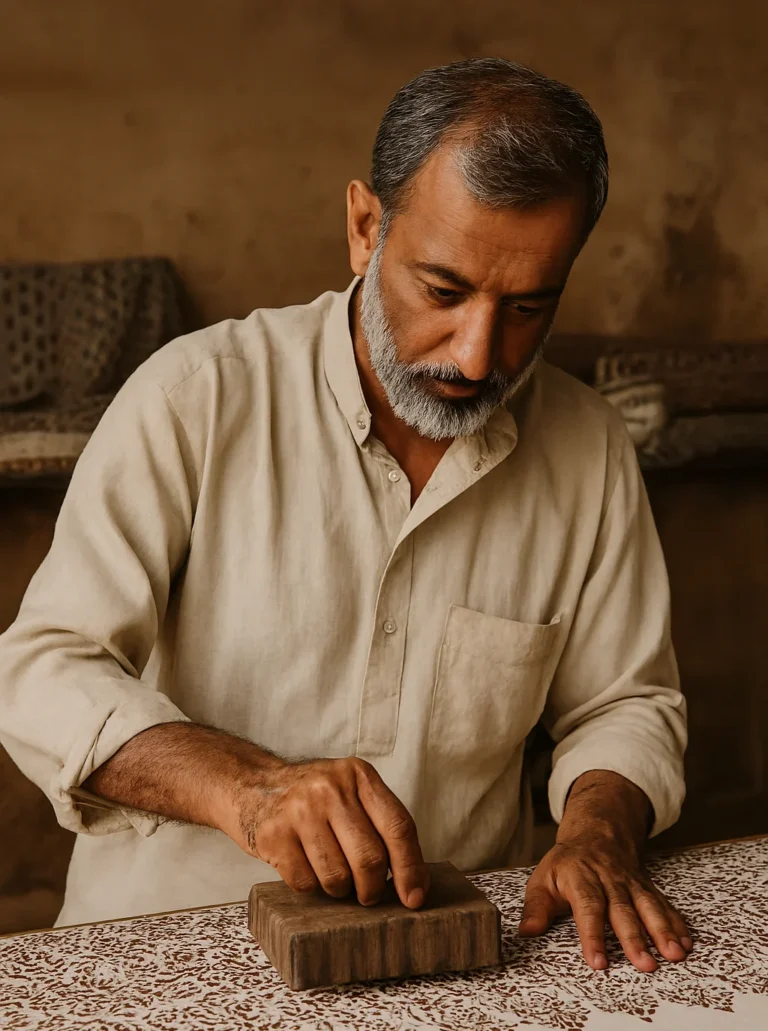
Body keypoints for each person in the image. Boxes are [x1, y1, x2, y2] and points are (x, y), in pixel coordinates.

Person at [0, 58, 692, 973]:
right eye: (443, 292)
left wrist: (598, 828)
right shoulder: (195, 398)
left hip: (453, 963)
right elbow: (43, 671)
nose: (479, 355)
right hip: (172, 958)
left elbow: (625, 703)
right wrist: (247, 789)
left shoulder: (590, 449)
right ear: (366, 229)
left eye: (528, 306)